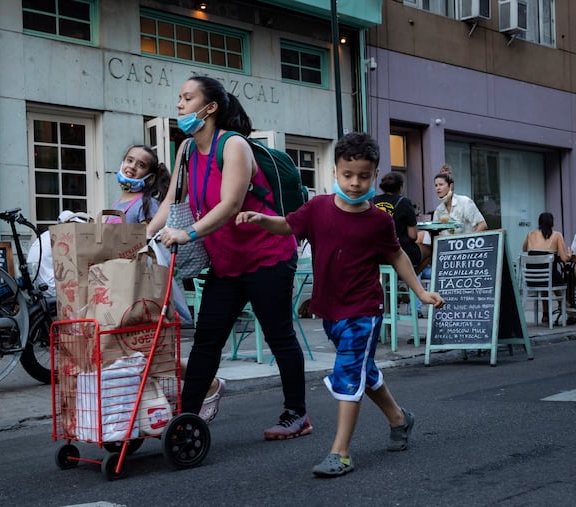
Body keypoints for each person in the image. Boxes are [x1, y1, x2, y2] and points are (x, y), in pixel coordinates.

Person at [237, 132, 445, 477]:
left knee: (348, 374)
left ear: (374, 175)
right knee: (363, 370)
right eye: (348, 175)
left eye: (363, 176)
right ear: (335, 171)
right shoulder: (317, 209)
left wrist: (421, 293)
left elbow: (396, 255)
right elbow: (288, 225)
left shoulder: (379, 220)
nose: (354, 183)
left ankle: (341, 452)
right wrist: (261, 219)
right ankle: (399, 418)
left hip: (364, 310)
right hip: (330, 309)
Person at [147, 75, 310, 440]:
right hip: (227, 262)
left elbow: (231, 203)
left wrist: (186, 233)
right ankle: (185, 419)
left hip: (267, 255)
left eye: (187, 98)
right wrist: (141, 235)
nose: (179, 105)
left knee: (279, 335)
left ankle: (297, 413)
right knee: (207, 339)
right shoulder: (187, 149)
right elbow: (172, 200)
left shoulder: (233, 145)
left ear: (210, 107)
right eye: (179, 97)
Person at [27, 210, 92, 298]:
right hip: (52, 289)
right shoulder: (62, 237)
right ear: (68, 223)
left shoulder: (46, 235)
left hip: (37, 287)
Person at [521, 212, 570, 324]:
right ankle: (566, 306)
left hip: (532, 278)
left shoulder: (530, 234)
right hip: (549, 277)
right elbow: (564, 258)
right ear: (552, 223)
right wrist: (569, 254)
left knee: (547, 279)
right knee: (556, 279)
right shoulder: (557, 235)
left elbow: (524, 249)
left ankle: (546, 315)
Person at [104, 145, 171, 224]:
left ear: (150, 177)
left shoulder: (147, 205)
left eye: (141, 165)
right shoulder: (116, 204)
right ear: (122, 164)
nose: (132, 166)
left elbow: (149, 235)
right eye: (129, 160)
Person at [372, 171, 423, 270]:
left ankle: (398, 283)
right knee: (428, 251)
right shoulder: (404, 202)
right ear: (401, 187)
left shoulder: (372, 201)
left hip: (376, 253)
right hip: (398, 252)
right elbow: (413, 236)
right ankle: (405, 282)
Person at [432, 171, 487, 235]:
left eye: (441, 184)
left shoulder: (465, 202)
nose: (438, 188)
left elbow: (482, 225)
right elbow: (435, 231)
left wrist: (471, 239)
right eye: (436, 185)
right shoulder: (438, 210)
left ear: (450, 186)